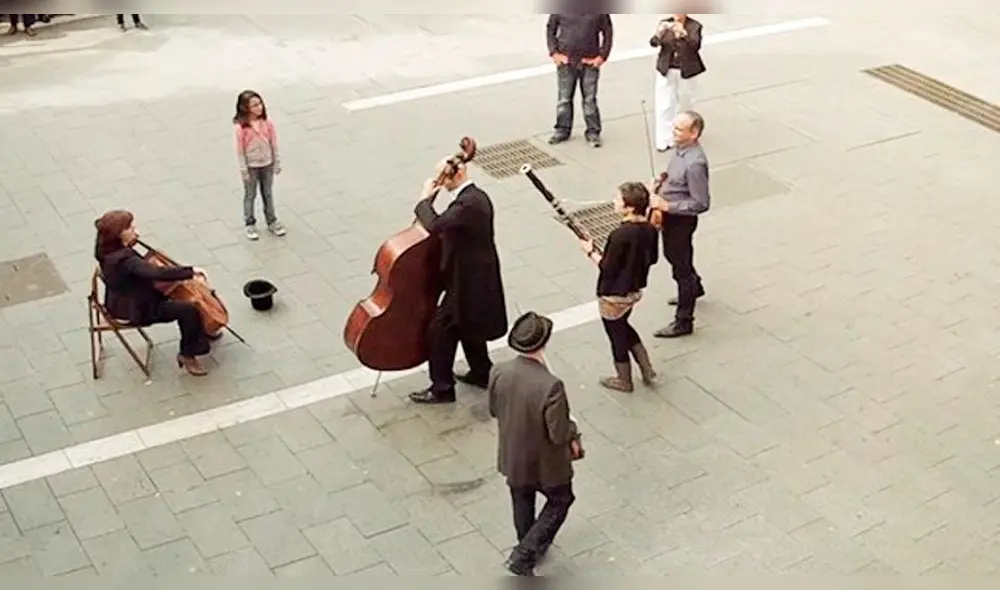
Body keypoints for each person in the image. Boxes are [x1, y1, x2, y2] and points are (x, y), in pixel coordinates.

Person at [409, 154, 508, 404]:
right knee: (468, 322)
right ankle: (481, 371)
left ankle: (442, 388)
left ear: (458, 174)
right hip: (471, 275)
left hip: (468, 279)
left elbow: (436, 225)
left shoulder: (469, 205)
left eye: (443, 175)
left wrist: (424, 199)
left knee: (440, 330)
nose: (439, 180)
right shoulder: (471, 198)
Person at [489, 311, 582, 576]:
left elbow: (494, 409)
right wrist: (573, 430)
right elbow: (558, 433)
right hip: (546, 462)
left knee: (521, 496)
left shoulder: (499, 371)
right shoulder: (551, 385)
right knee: (561, 499)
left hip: (513, 453)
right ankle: (525, 552)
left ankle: (526, 542)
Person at [94, 210, 218, 376]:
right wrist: (190, 272)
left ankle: (199, 334)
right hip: (138, 309)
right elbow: (156, 273)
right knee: (188, 310)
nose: (135, 230)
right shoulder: (124, 260)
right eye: (130, 227)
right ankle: (187, 355)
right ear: (118, 234)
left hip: (121, 301)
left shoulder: (105, 249)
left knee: (180, 299)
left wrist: (129, 242)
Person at [579, 182, 659, 392]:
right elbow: (653, 259)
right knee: (623, 325)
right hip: (634, 290)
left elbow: (606, 267)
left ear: (630, 207)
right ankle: (646, 367)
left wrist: (589, 251)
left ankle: (624, 379)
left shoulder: (619, 235)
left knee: (616, 335)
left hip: (613, 294)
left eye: (618, 199)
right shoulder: (650, 229)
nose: (614, 202)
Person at [650, 111, 710, 338]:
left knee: (680, 265)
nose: (673, 132)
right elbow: (676, 177)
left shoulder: (695, 163)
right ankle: (696, 287)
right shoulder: (680, 150)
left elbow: (701, 202)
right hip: (670, 216)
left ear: (693, 134)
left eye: (678, 129)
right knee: (676, 257)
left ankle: (684, 320)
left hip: (680, 221)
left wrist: (667, 206)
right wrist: (661, 180)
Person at [546, 14, 613, 147]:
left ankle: (593, 132)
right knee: (564, 99)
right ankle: (562, 130)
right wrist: (554, 53)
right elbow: (550, 29)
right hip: (566, 62)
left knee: (589, 99)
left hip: (590, 62)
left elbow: (608, 32)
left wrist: (602, 56)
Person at [233, 90, 286, 240]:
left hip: (267, 163)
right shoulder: (241, 128)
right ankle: (250, 223)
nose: (259, 107)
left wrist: (276, 161)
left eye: (259, 103)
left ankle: (272, 220)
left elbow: (273, 143)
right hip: (251, 166)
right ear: (245, 108)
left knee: (267, 193)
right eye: (254, 105)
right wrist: (243, 168)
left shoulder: (267, 124)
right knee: (250, 194)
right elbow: (240, 150)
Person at [650, 14, 705, 152]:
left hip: (686, 70)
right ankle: (663, 138)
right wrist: (659, 33)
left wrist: (683, 34)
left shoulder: (694, 26)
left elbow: (695, 46)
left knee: (686, 103)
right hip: (667, 68)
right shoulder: (665, 23)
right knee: (664, 104)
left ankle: (686, 136)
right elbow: (653, 43)